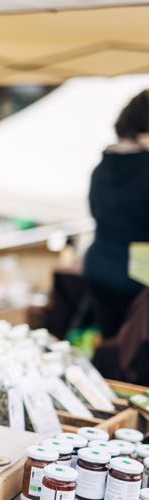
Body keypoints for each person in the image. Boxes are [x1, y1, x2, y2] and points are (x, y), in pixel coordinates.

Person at [84, 89, 149, 341]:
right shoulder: (144, 167)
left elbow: (95, 212)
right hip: (137, 276)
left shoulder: (103, 165)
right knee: (136, 358)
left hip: (99, 266)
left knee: (113, 348)